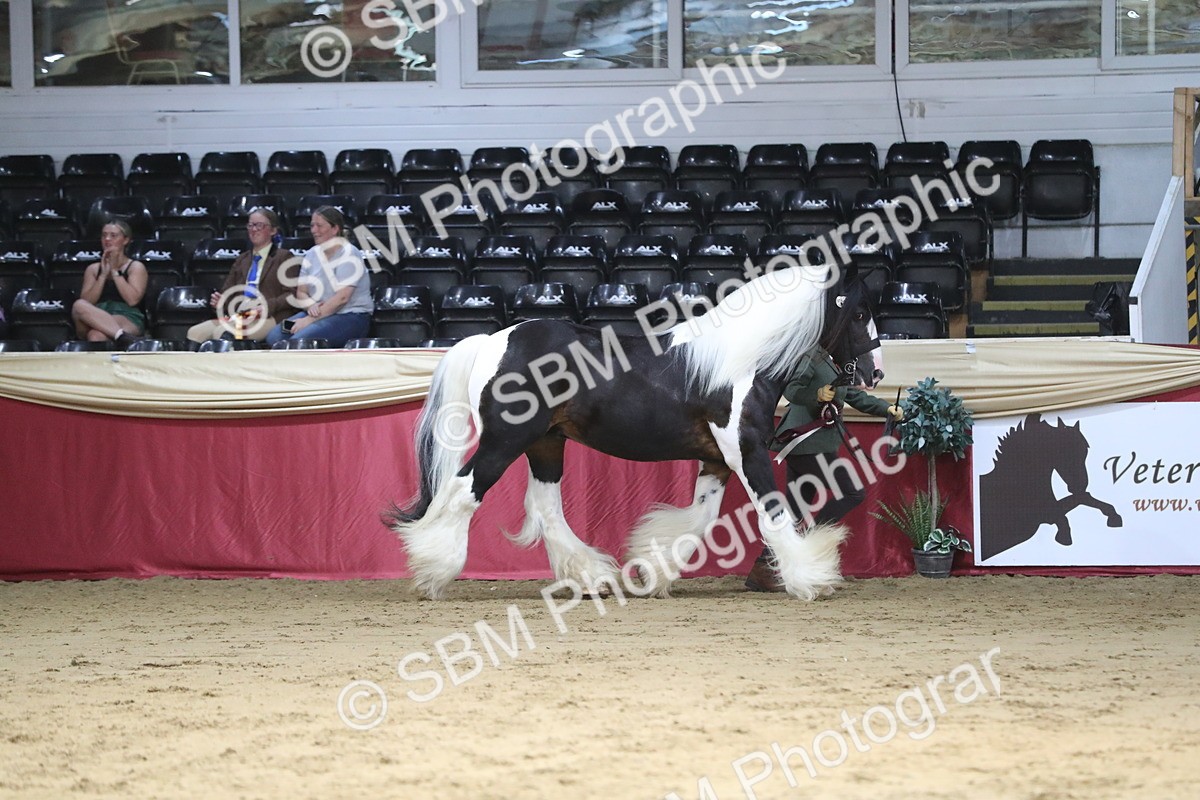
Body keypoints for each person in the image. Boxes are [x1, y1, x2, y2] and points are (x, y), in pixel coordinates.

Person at [745, 344, 904, 592]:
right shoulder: (810, 356)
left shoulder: (833, 360)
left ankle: (762, 571)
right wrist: (817, 395)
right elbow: (792, 390)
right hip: (806, 442)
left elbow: (852, 396)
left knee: (796, 512)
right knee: (852, 493)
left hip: (813, 446)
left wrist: (886, 409)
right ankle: (810, 544)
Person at [265, 206, 373, 348]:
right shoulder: (311, 254)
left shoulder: (349, 254)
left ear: (335, 229)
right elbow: (301, 292)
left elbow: (342, 298)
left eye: (319, 226)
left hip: (350, 315)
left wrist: (309, 320)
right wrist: (311, 305)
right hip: (319, 313)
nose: (314, 230)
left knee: (299, 341)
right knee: (275, 336)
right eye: (312, 225)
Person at [187, 208, 294, 343]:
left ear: (273, 230)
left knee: (223, 332)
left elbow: (291, 295)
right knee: (195, 332)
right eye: (251, 225)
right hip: (242, 314)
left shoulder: (284, 257)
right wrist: (221, 302)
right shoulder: (242, 260)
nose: (254, 229)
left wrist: (266, 307)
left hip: (269, 316)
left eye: (259, 225)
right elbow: (227, 293)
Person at [72, 219, 149, 347]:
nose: (107, 239)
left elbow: (132, 300)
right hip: (94, 315)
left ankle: (117, 343)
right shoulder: (93, 269)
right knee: (79, 305)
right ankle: (122, 337)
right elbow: (87, 302)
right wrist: (102, 275)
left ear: (125, 240)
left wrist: (114, 271)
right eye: (104, 235)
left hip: (126, 315)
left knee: (96, 336)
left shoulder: (135, 267)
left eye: (113, 236)